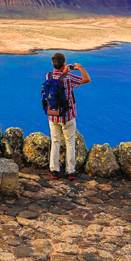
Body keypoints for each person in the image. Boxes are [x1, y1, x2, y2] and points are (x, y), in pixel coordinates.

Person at [45, 52, 91, 180]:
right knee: (70, 143)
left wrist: (63, 71)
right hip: (68, 116)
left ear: (53, 63)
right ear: (64, 63)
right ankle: (70, 171)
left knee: (55, 142)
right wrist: (80, 68)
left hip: (53, 115)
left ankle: (54, 170)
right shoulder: (69, 78)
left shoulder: (48, 75)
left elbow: (57, 78)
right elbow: (87, 79)